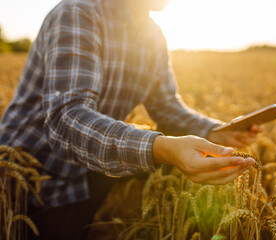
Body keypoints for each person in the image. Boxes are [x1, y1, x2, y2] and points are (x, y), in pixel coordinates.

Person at [0, 0, 261, 239]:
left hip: (91, 164)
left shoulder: (154, 36)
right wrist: (161, 149)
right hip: (31, 178)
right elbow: (66, 120)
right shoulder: (79, 12)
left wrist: (215, 131)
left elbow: (167, 106)